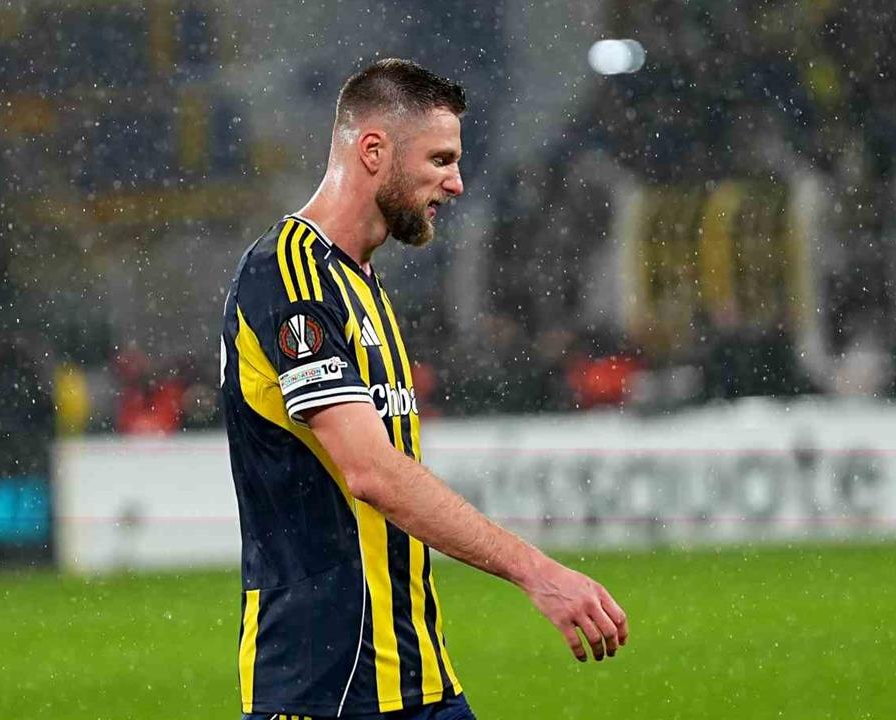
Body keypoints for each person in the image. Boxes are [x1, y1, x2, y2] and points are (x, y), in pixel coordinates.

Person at [219, 59, 629, 720]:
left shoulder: (362, 284)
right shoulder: (289, 274)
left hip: (416, 679)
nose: (457, 183)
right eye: (441, 160)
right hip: (325, 688)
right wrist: (538, 572)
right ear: (373, 150)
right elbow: (372, 473)